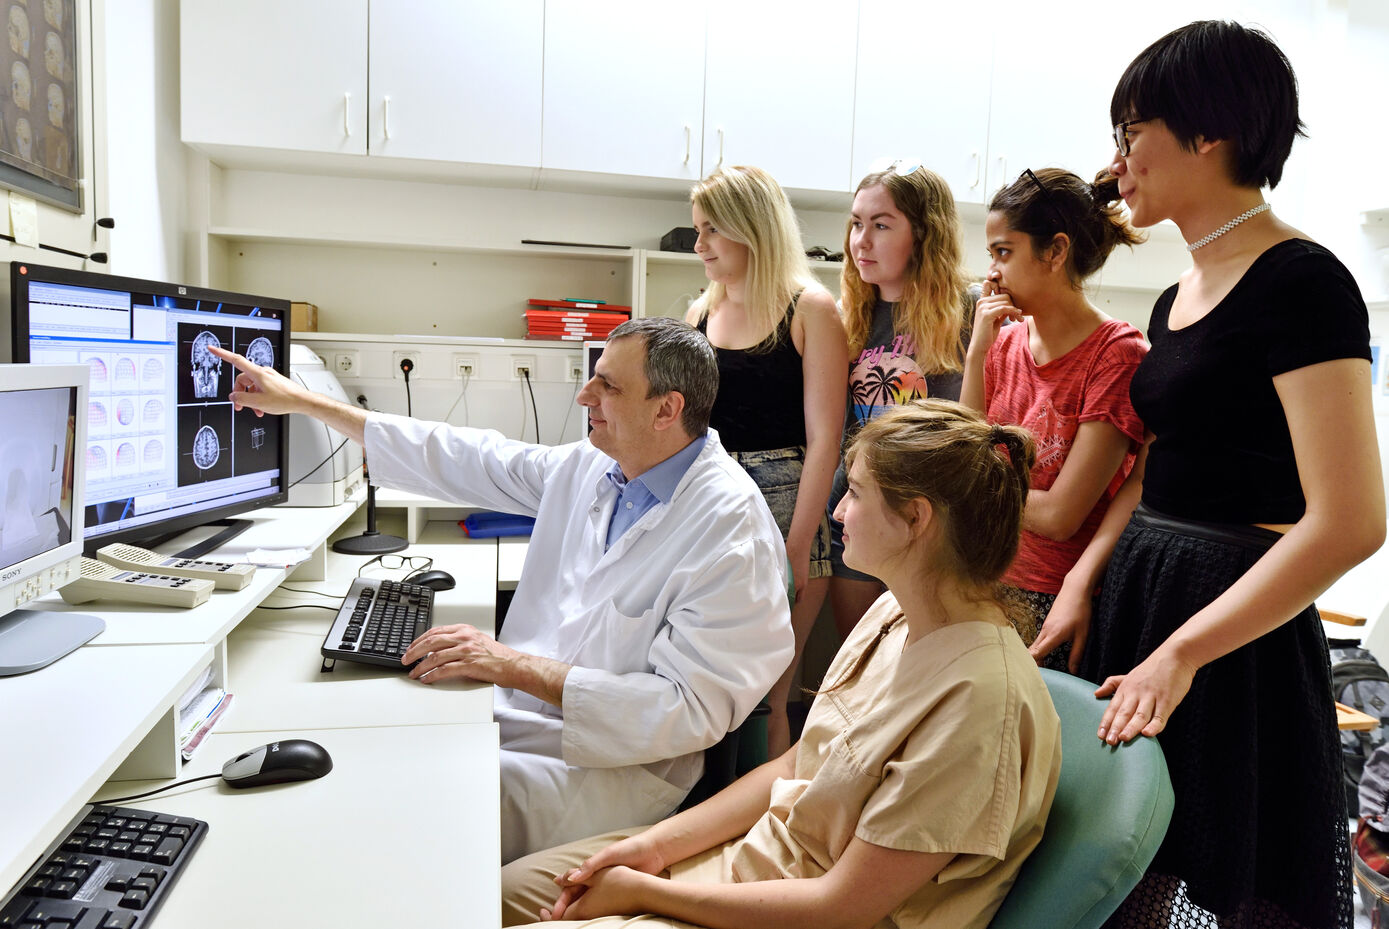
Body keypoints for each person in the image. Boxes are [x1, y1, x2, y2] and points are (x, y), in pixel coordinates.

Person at [209, 317, 794, 863]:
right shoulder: (602, 468)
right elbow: (467, 458)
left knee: (400, 806)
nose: (585, 397)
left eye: (607, 387)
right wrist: (299, 402)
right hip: (529, 716)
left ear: (666, 410)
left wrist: (510, 666)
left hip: (612, 769)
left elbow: (687, 712)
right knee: (377, 746)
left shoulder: (729, 528)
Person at [1053, 21, 1384, 929]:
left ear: (1209, 134)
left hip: (1230, 632)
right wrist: (1086, 580)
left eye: (1130, 133)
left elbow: (1351, 519)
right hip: (1143, 598)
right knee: (1125, 877)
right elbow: (1159, 472)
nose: (1116, 161)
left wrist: (1185, 650)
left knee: (1237, 883)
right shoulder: (1175, 294)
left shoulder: (1302, 281)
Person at [500, 399, 1060, 929]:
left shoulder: (980, 704)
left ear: (915, 519)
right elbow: (798, 766)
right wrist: (656, 846)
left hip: (802, 913)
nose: (838, 511)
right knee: (497, 890)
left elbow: (841, 907)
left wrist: (645, 893)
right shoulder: (897, 611)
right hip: (755, 861)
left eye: (857, 494)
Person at [684, 164, 848, 757]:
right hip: (710, 501)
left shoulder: (810, 309)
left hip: (787, 503)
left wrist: (798, 545)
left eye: (710, 231)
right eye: (696, 230)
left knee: (771, 696)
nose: (697, 244)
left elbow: (826, 440)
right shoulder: (699, 315)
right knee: (706, 691)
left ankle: (763, 832)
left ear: (751, 230)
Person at [959, 167, 1146, 671]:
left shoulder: (1117, 355)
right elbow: (958, 460)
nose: (991, 273)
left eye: (1004, 251)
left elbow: (1062, 517)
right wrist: (977, 354)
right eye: (990, 254)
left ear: (1056, 252)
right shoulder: (1003, 342)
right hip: (983, 576)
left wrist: (981, 491)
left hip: (1052, 598)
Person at [830, 162, 978, 639]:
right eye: (856, 223)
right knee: (858, 663)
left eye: (881, 225)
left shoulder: (971, 308)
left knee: (924, 665)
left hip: (929, 525)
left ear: (924, 234)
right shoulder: (849, 313)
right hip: (853, 514)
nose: (861, 241)